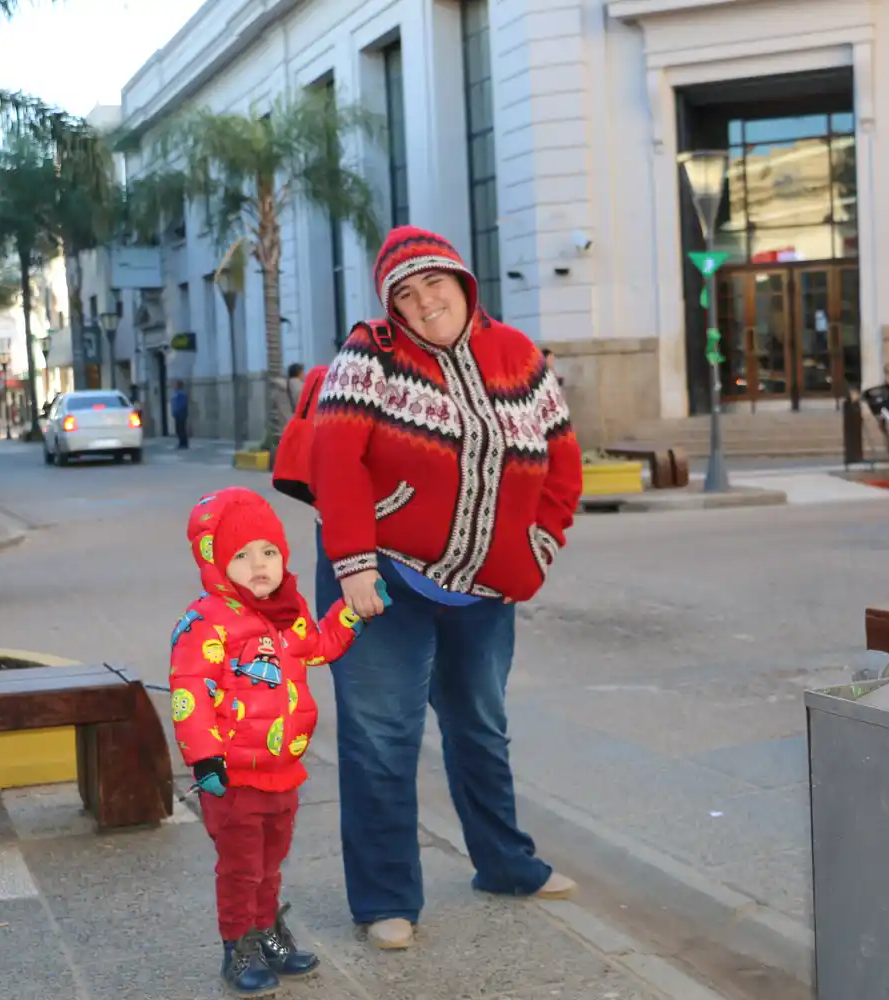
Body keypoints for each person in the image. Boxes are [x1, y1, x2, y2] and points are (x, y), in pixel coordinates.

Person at [310, 225, 583, 950]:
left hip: (485, 586)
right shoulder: (370, 353)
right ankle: (385, 900)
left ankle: (505, 864)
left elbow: (562, 464)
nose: (424, 301)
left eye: (434, 283)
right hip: (380, 573)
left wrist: (537, 544)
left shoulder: (519, 356)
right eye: (406, 291)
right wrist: (354, 563)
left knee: (481, 726)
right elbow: (334, 459)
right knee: (380, 737)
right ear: (391, 305)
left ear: (463, 282)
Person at [169, 487, 372, 997]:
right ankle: (237, 947)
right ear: (215, 562)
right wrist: (204, 757)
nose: (259, 565)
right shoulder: (207, 621)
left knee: (271, 860)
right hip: (233, 774)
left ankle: (266, 934)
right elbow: (190, 689)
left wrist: (350, 615)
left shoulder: (288, 610)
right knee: (241, 866)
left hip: (283, 768)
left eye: (269, 552)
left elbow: (319, 646)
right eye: (241, 555)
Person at [172, 379, 191, 450]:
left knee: (181, 429)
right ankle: (181, 442)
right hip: (177, 413)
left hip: (181, 413)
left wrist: (178, 411)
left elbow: (182, 404)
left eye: (175, 384)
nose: (174, 386)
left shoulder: (181, 393)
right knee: (178, 429)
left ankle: (183, 443)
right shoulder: (175, 393)